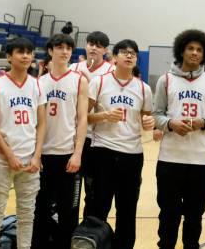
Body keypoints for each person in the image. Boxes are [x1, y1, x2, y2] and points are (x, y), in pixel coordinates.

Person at [152, 29, 205, 249]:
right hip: (170, 158)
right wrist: (170, 124)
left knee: (195, 216)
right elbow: (156, 114)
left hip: (199, 160)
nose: (194, 53)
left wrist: (202, 123)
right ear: (181, 50)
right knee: (168, 215)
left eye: (199, 50)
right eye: (190, 48)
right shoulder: (165, 80)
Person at [85, 39, 154, 249]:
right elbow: (83, 117)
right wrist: (104, 115)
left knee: (127, 210)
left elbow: (147, 120)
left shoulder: (144, 89)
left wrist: (149, 123)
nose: (129, 55)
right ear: (114, 58)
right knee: (98, 208)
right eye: (124, 52)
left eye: (133, 53)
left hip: (132, 156)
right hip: (102, 152)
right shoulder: (98, 82)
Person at [0, 36, 46, 249]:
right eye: (20, 52)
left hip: (30, 162)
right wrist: (9, 155)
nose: (26, 56)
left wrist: (37, 156)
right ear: (9, 56)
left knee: (27, 215)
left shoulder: (37, 85)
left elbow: (42, 124)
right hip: (1, 161)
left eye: (29, 52)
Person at [32, 33, 88, 249]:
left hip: (67, 155)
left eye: (68, 48)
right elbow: (35, 123)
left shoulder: (79, 80)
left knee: (68, 212)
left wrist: (78, 153)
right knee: (41, 209)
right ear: (50, 51)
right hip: (43, 155)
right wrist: (35, 154)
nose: (65, 51)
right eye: (60, 47)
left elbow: (82, 119)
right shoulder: (39, 82)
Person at [74, 30, 112, 216]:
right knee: (70, 190)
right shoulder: (74, 68)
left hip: (97, 139)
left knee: (93, 190)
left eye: (98, 45)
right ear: (85, 46)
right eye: (91, 44)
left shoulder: (110, 72)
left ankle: (88, 233)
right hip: (73, 137)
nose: (94, 48)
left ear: (105, 50)